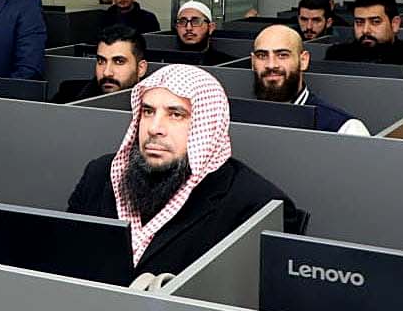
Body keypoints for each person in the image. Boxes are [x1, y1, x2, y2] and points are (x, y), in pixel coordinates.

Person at [66, 65, 305, 276]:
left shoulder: (257, 207)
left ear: (207, 126)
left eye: (175, 114)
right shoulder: (100, 175)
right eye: (148, 111)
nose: (154, 128)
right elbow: (63, 261)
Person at [250, 26, 369, 136]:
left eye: (282, 55)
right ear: (253, 62)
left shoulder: (344, 129)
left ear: (303, 60)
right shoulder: (241, 117)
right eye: (262, 56)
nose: (271, 65)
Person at [324, 0, 403, 81]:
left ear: (395, 24)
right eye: (359, 22)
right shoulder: (337, 55)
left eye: (375, 22)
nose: (365, 30)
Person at [51, 25, 148, 104]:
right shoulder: (68, 96)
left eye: (119, 62)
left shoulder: (151, 107)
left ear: (141, 69)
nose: (107, 73)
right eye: (101, 61)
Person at [172, 1, 232, 65]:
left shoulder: (228, 64)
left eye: (196, 22)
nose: (188, 28)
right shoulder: (167, 62)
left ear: (211, 27)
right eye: (182, 22)